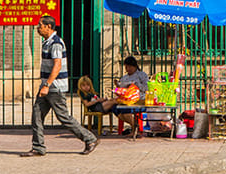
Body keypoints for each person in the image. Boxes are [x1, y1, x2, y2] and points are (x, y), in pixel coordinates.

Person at [20, 15, 98, 156]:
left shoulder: (56, 43)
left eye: (40, 26)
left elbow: (57, 65)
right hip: (46, 87)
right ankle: (38, 147)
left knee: (64, 117)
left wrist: (47, 85)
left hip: (54, 87)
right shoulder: (47, 42)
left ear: (48, 27)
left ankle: (90, 139)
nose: (38, 28)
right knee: (37, 115)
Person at [92, 55, 150, 135]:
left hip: (138, 99)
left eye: (130, 67)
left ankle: (134, 128)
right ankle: (134, 125)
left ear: (135, 66)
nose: (128, 69)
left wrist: (136, 85)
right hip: (125, 99)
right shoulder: (125, 78)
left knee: (126, 110)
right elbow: (120, 91)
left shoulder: (142, 75)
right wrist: (118, 87)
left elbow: (146, 88)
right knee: (115, 108)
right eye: (126, 67)